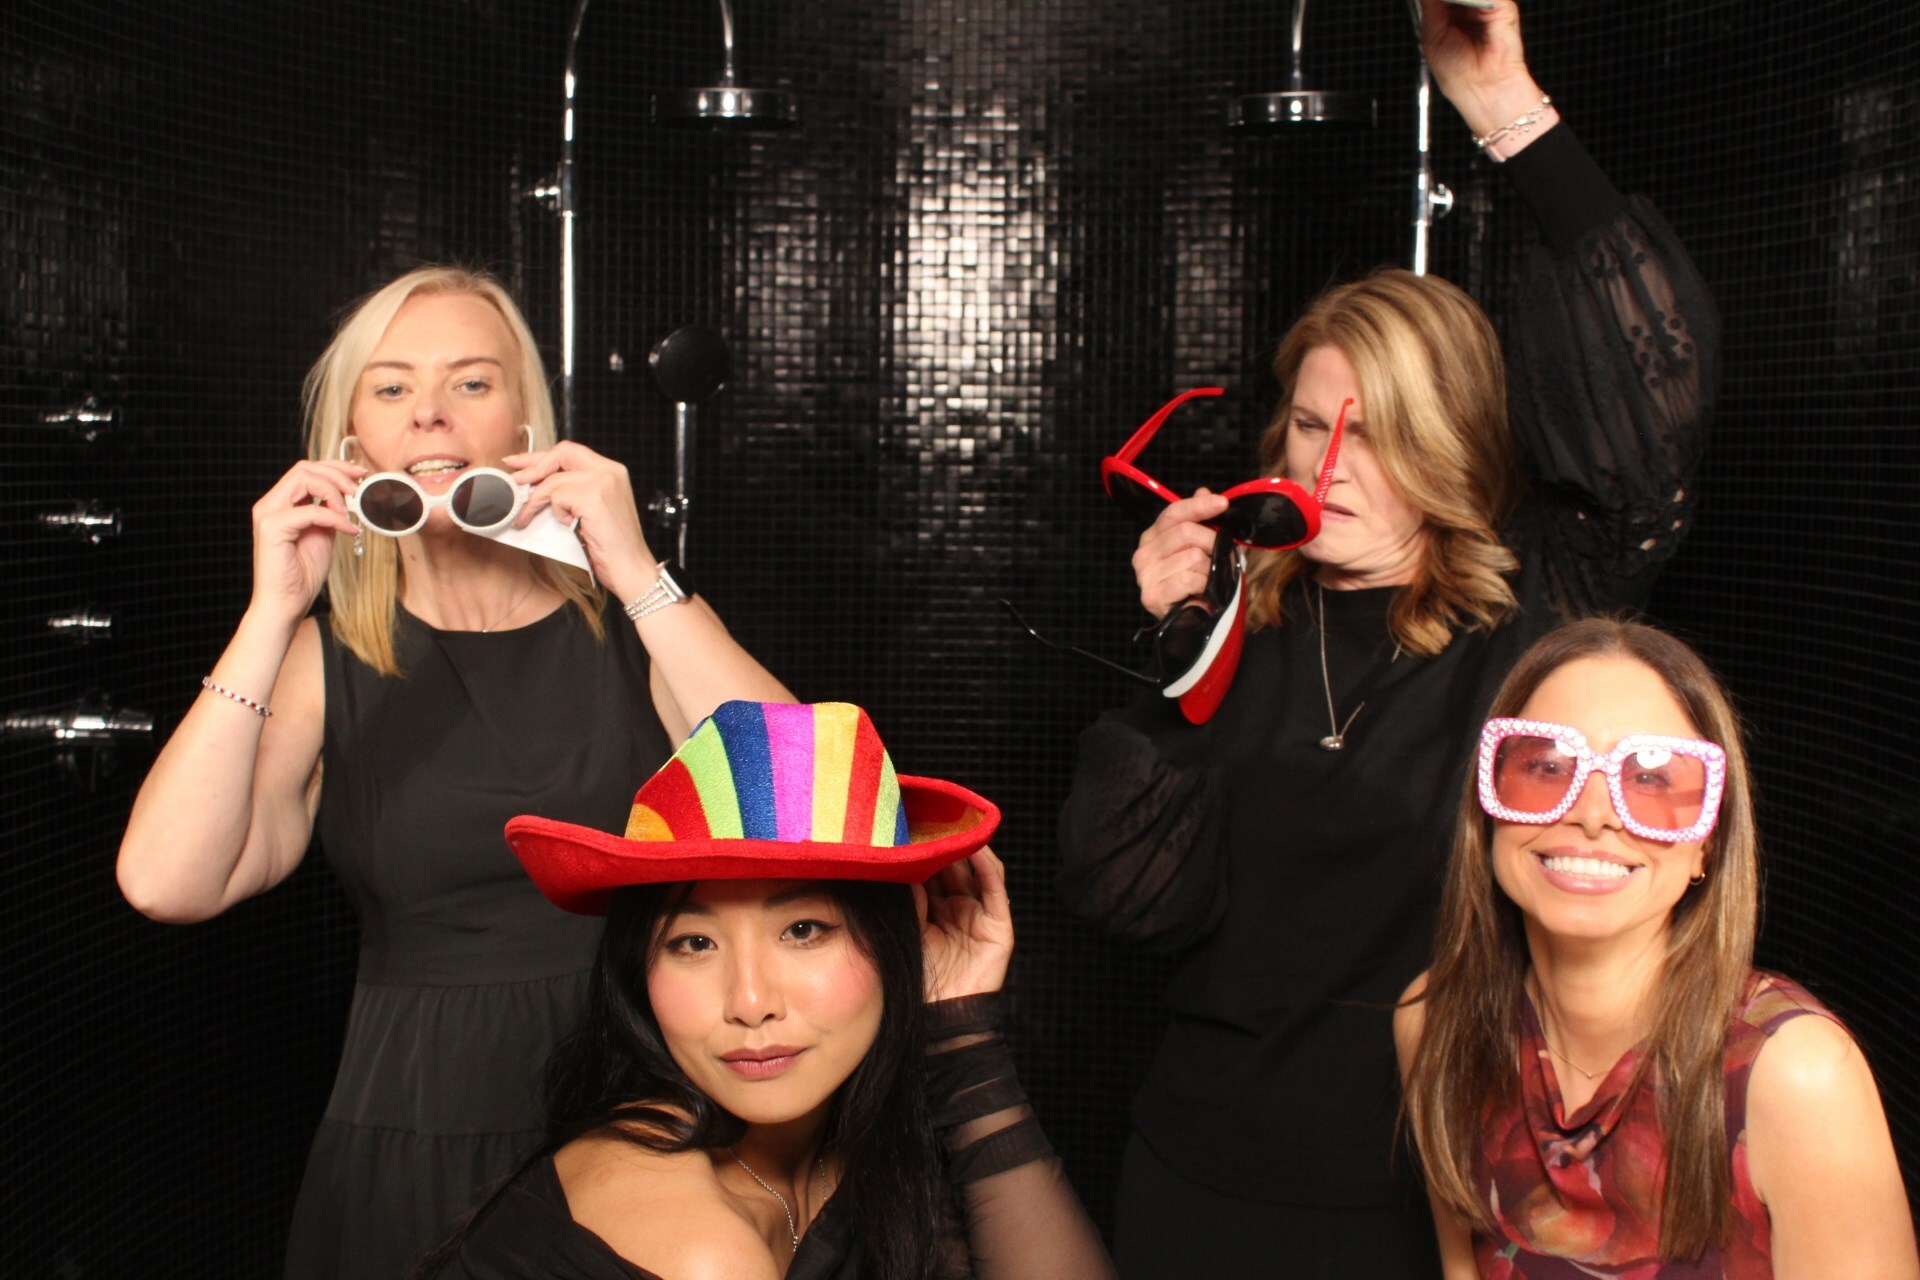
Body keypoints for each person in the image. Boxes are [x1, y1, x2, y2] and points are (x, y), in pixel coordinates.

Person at [1056, 1, 1721, 1272]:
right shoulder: (1247, 613)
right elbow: (1131, 905)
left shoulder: (1537, 618)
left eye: (1381, 434)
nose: (1334, 466)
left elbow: (1657, 389)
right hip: (1197, 1166)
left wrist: (1501, 104)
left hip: (1426, 1189)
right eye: (1313, 427)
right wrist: (1180, 649)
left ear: (1454, 442)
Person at [115, 265, 793, 1277]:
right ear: (353, 441)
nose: (429, 411)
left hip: (641, 1101)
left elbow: (800, 801)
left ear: (524, 421)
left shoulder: (634, 627)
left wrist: (634, 569)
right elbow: (165, 882)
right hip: (412, 1117)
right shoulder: (320, 658)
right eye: (391, 387)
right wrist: (272, 611)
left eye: (471, 382)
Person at [420, 699, 1116, 1280]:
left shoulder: (855, 1141)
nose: (750, 1003)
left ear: (903, 930)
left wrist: (963, 1033)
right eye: (693, 943)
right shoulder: (700, 1249)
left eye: (804, 930)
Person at [1395, 618, 1919, 1278]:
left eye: (1651, 779)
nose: (1592, 814)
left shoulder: (1796, 1076)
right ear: (1491, 806)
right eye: (1547, 767)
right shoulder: (1435, 1022)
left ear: (1708, 846)